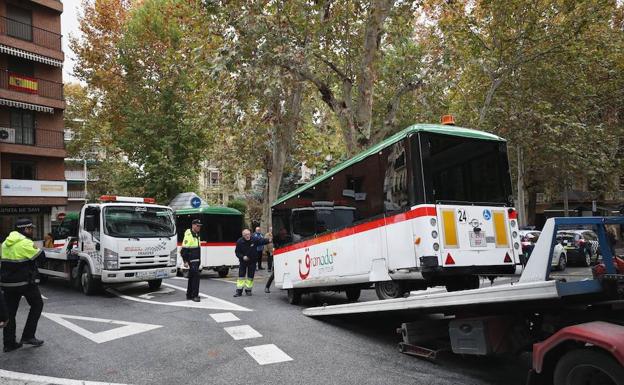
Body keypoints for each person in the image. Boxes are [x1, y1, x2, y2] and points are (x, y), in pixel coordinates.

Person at [1, 218, 45, 352]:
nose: (32, 231)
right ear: (25, 229)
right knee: (37, 304)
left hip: (7, 284)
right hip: (24, 282)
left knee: (10, 313)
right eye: (31, 229)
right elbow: (41, 258)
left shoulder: (4, 244)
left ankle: (9, 344)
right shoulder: (25, 243)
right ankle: (28, 336)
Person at [234, 228, 271, 297]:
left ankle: (248, 290)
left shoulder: (254, 239)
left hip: (252, 261)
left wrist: (268, 240)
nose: (247, 236)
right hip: (243, 262)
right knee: (241, 277)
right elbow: (237, 252)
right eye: (245, 235)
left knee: (250, 277)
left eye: (248, 234)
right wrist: (242, 257)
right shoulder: (239, 241)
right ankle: (239, 291)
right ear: (243, 235)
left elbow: (261, 241)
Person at [181, 219, 202, 302]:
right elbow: (184, 250)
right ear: (193, 225)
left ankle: (189, 294)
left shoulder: (196, 234)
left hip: (196, 260)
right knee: (196, 278)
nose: (199, 227)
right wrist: (185, 261)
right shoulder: (189, 235)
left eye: (200, 226)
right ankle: (194, 296)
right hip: (192, 260)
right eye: (197, 225)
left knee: (192, 277)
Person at [265, 228, 291, 294]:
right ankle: (267, 287)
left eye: (285, 234)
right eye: (282, 234)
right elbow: (274, 246)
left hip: (287, 255)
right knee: (275, 273)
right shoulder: (276, 238)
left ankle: (285, 285)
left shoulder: (288, 238)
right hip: (279, 256)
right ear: (280, 234)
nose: (284, 235)